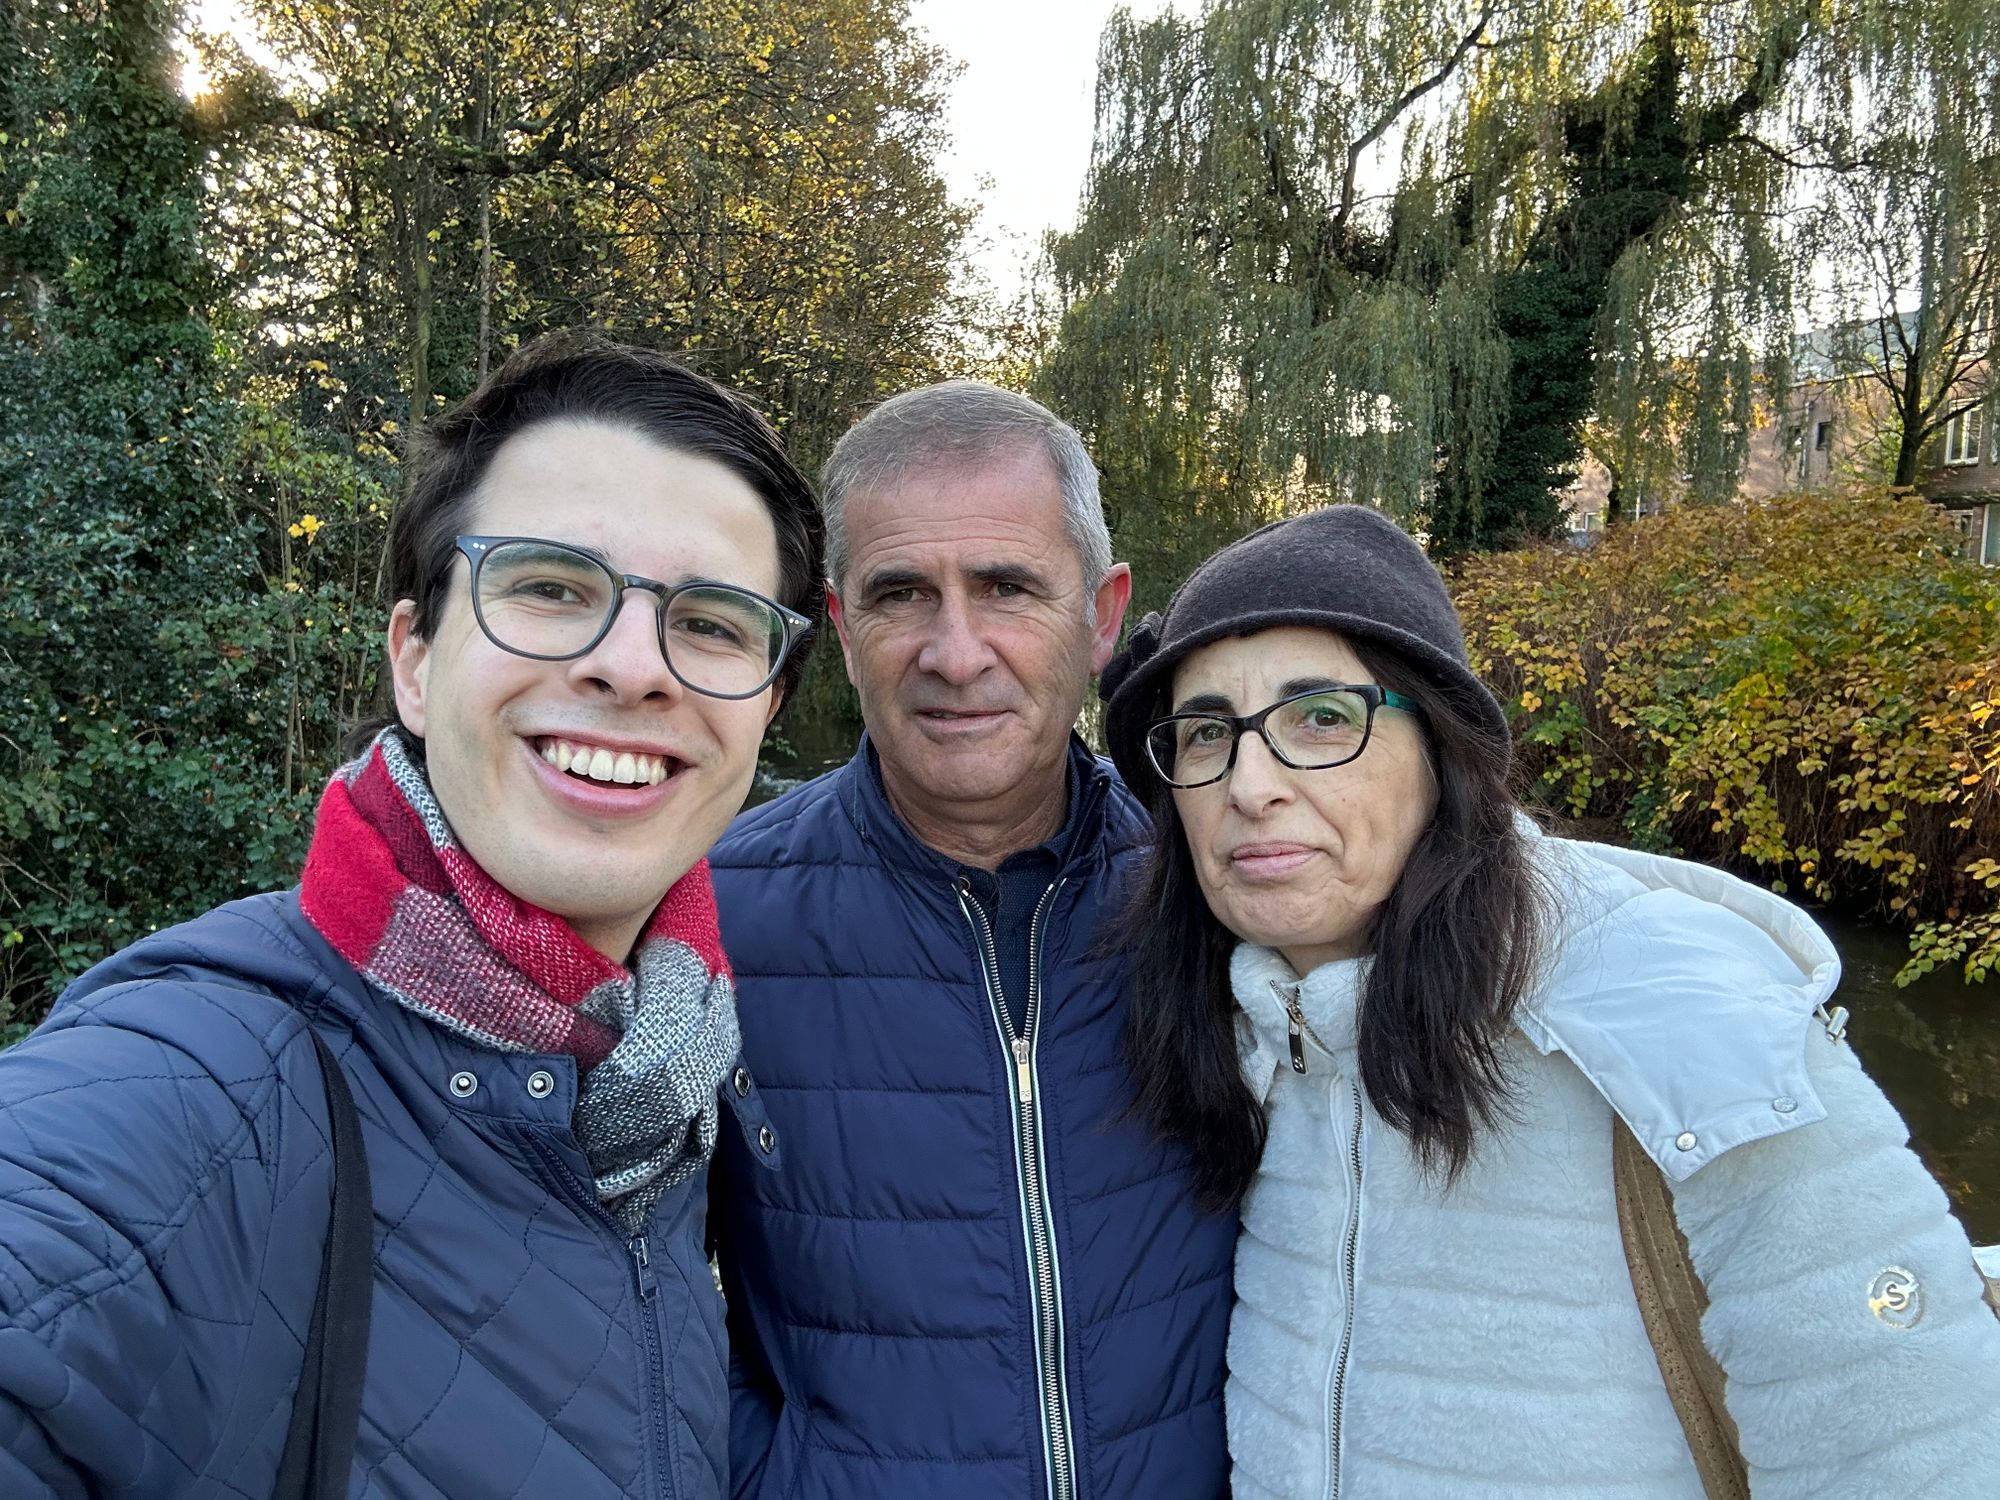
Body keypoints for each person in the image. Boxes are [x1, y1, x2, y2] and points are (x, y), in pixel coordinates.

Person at [0, 333, 822, 1498]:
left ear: (765, 704)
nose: (635, 666)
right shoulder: (199, 1089)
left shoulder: (666, 1087)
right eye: (549, 586)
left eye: (713, 622)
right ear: (414, 659)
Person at [1097, 503, 2000, 1500]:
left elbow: (1909, 1449)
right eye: (1202, 733)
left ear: (1438, 753)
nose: (1249, 782)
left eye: (1321, 719)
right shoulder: (1243, 1038)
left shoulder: (1674, 1009)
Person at [708, 382, 1236, 1498]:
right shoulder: (715, 919)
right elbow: (618, 1293)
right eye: (902, 594)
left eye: (1005, 587)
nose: (955, 652)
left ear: (1099, 615)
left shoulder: (1216, 902)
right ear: (842, 629)